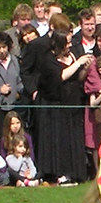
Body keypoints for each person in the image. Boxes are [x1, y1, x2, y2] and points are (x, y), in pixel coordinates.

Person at [36, 31, 92, 185]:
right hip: (54, 106)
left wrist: (85, 69)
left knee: (73, 138)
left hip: (72, 104)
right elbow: (60, 77)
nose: (70, 45)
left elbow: (77, 78)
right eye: (67, 43)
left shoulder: (73, 55)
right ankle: (57, 172)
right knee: (58, 138)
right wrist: (78, 63)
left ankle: (75, 172)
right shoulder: (48, 59)